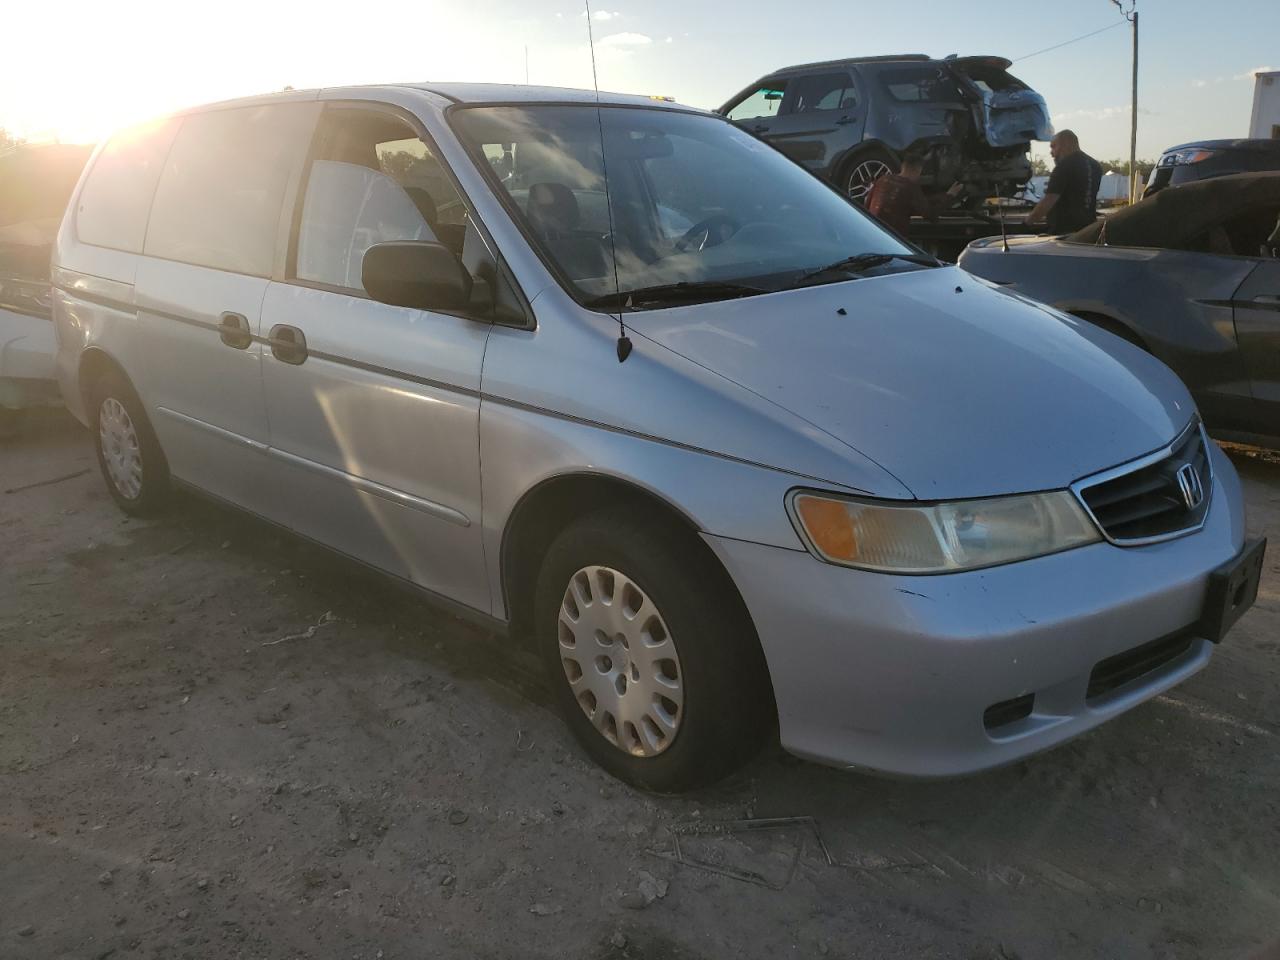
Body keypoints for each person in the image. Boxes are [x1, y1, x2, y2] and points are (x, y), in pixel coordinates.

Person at [864, 151, 965, 237]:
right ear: (918, 170)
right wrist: (950, 196)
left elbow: (867, 205)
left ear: (903, 166)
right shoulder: (910, 187)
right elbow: (930, 215)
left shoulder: (883, 180)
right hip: (893, 238)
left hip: (873, 232)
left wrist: (943, 195)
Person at [1028, 129, 1102, 234]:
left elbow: (1049, 200)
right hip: (1087, 231)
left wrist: (1027, 223)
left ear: (1066, 144)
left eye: (1053, 146)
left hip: (1064, 233)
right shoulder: (1095, 165)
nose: (1051, 153)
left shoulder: (1064, 166)